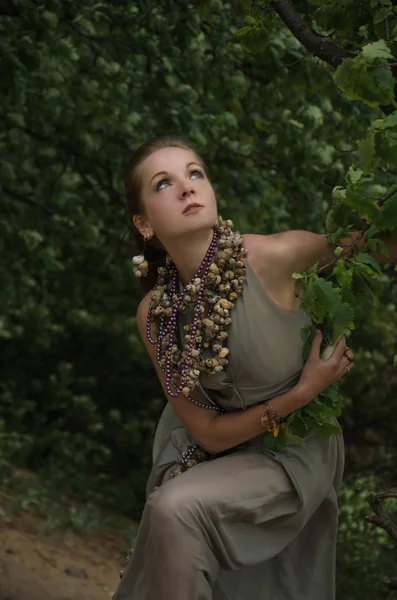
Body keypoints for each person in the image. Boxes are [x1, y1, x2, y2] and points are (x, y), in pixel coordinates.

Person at [112, 135, 355, 600]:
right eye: (165, 183)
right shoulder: (157, 313)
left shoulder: (271, 258)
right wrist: (300, 393)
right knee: (173, 511)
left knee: (175, 510)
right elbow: (206, 430)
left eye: (195, 173)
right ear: (143, 222)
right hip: (211, 452)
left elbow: (377, 246)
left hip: (294, 451)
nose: (187, 188)